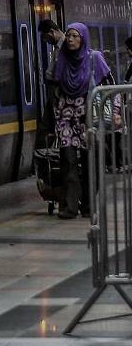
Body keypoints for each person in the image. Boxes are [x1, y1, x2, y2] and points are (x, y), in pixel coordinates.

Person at [52, 22, 118, 219]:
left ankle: (89, 205)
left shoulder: (94, 58)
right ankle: (71, 207)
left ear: (83, 38)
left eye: (75, 36)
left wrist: (115, 111)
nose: (70, 39)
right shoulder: (61, 59)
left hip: (89, 116)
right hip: (66, 117)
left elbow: (111, 86)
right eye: (68, 35)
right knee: (68, 162)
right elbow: (54, 90)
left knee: (91, 162)